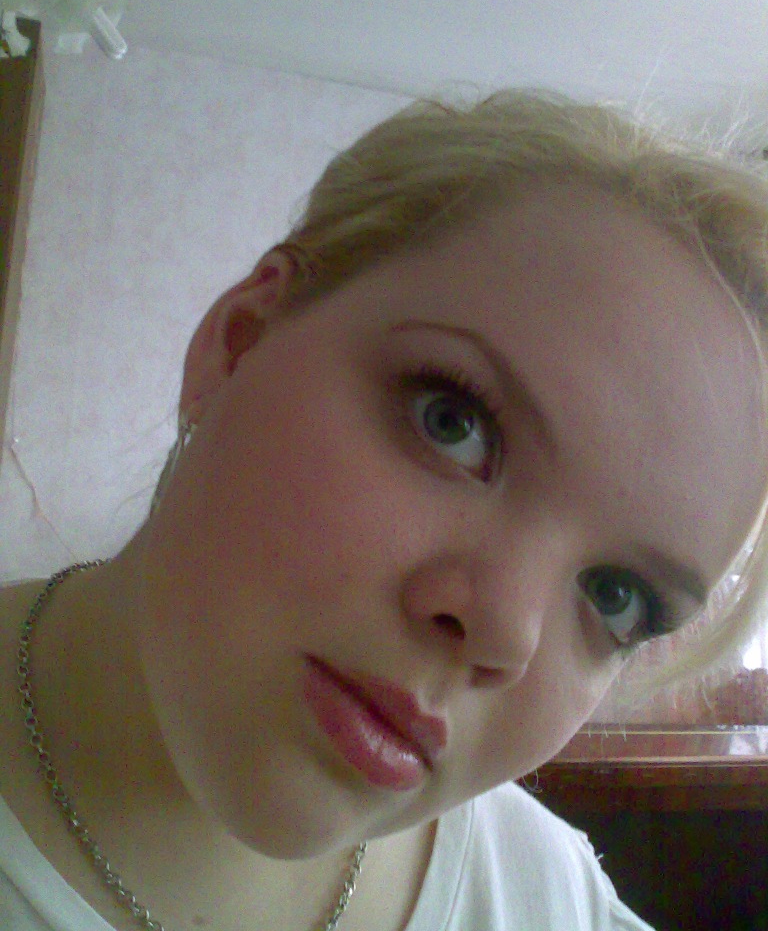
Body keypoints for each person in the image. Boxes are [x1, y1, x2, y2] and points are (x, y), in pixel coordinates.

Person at [1, 88, 767, 931]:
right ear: (240, 339)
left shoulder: (549, 901)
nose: (504, 634)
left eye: (617, 597)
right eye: (455, 424)